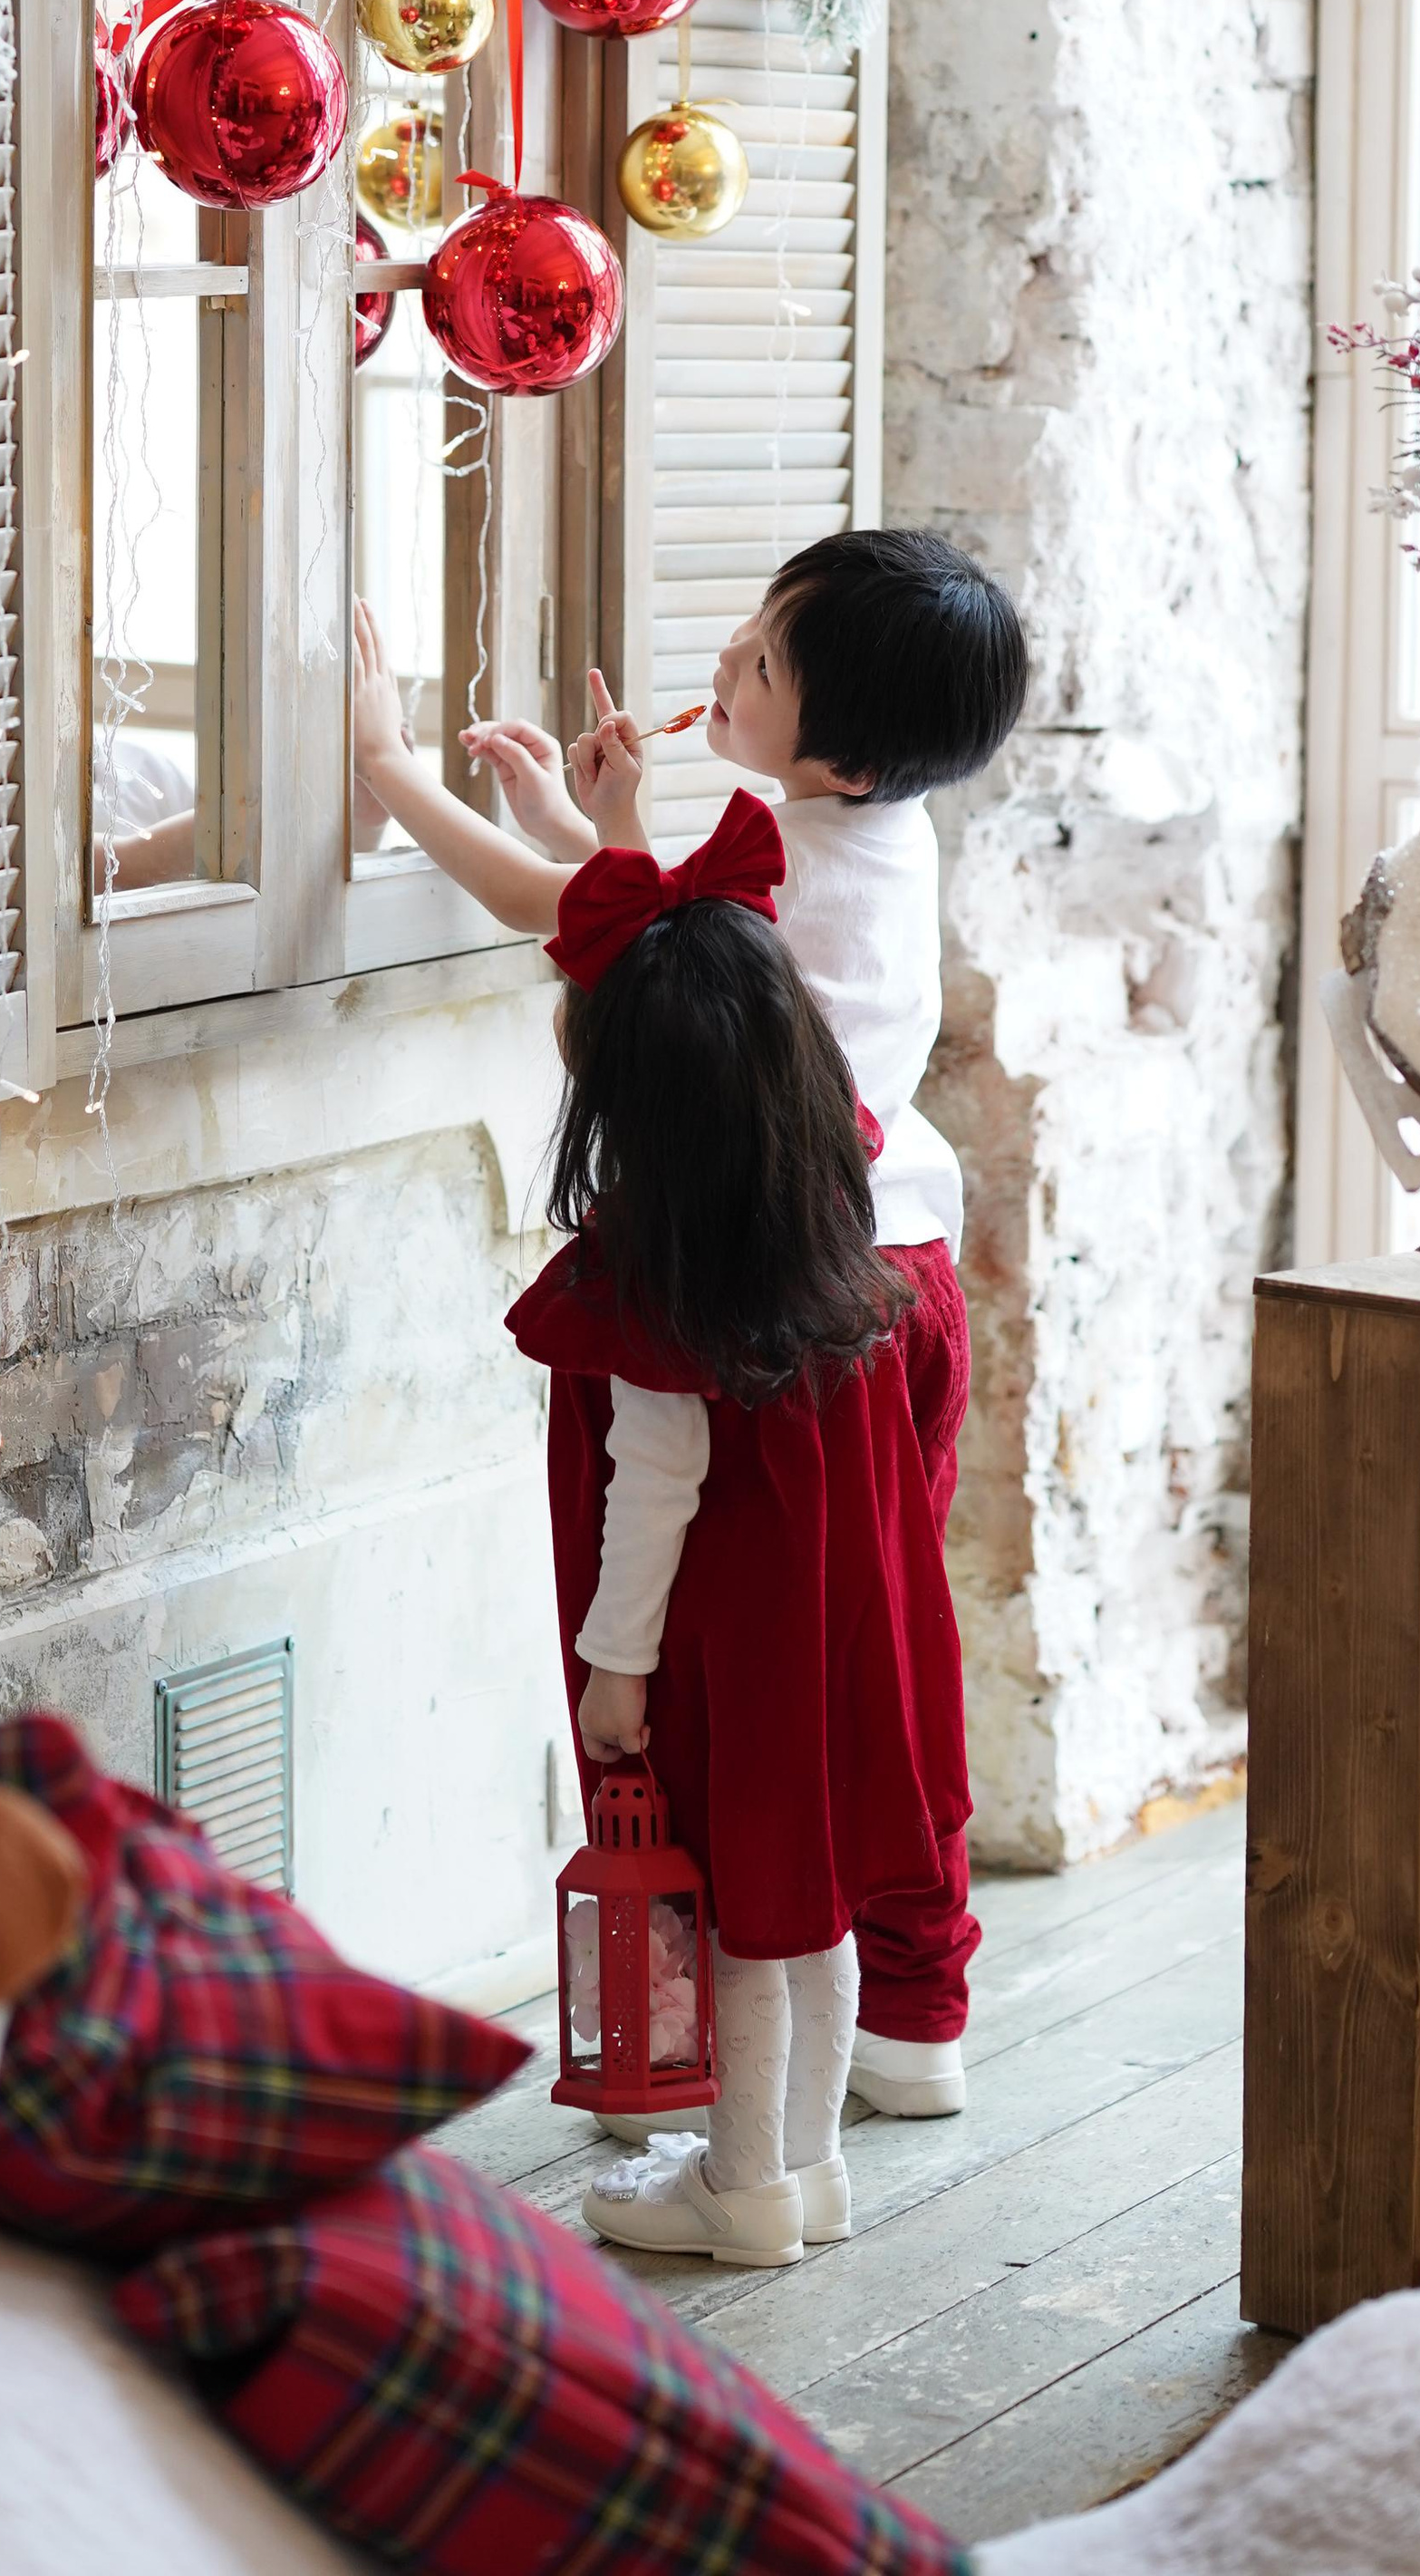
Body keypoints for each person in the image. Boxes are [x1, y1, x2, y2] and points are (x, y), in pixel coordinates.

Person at [353, 527, 1027, 2111]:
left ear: (846, 754)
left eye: (765, 662)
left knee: (678, 1669)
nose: (724, 661)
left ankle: (694, 2052)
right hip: (899, 1286)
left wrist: (392, 772)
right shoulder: (875, 831)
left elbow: (592, 929)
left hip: (760, 1309)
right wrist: (595, 822)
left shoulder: (777, 855)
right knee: (886, 1657)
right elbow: (648, 914)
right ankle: (911, 2013)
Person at [508, 785, 971, 2264]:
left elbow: (651, 1494)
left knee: (747, 1925)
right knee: (816, 1909)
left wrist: (614, 1665)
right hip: (851, 1635)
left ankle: (745, 2184)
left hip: (733, 1654)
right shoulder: (840, 1237)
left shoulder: (664, 1285)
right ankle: (809, 2166)